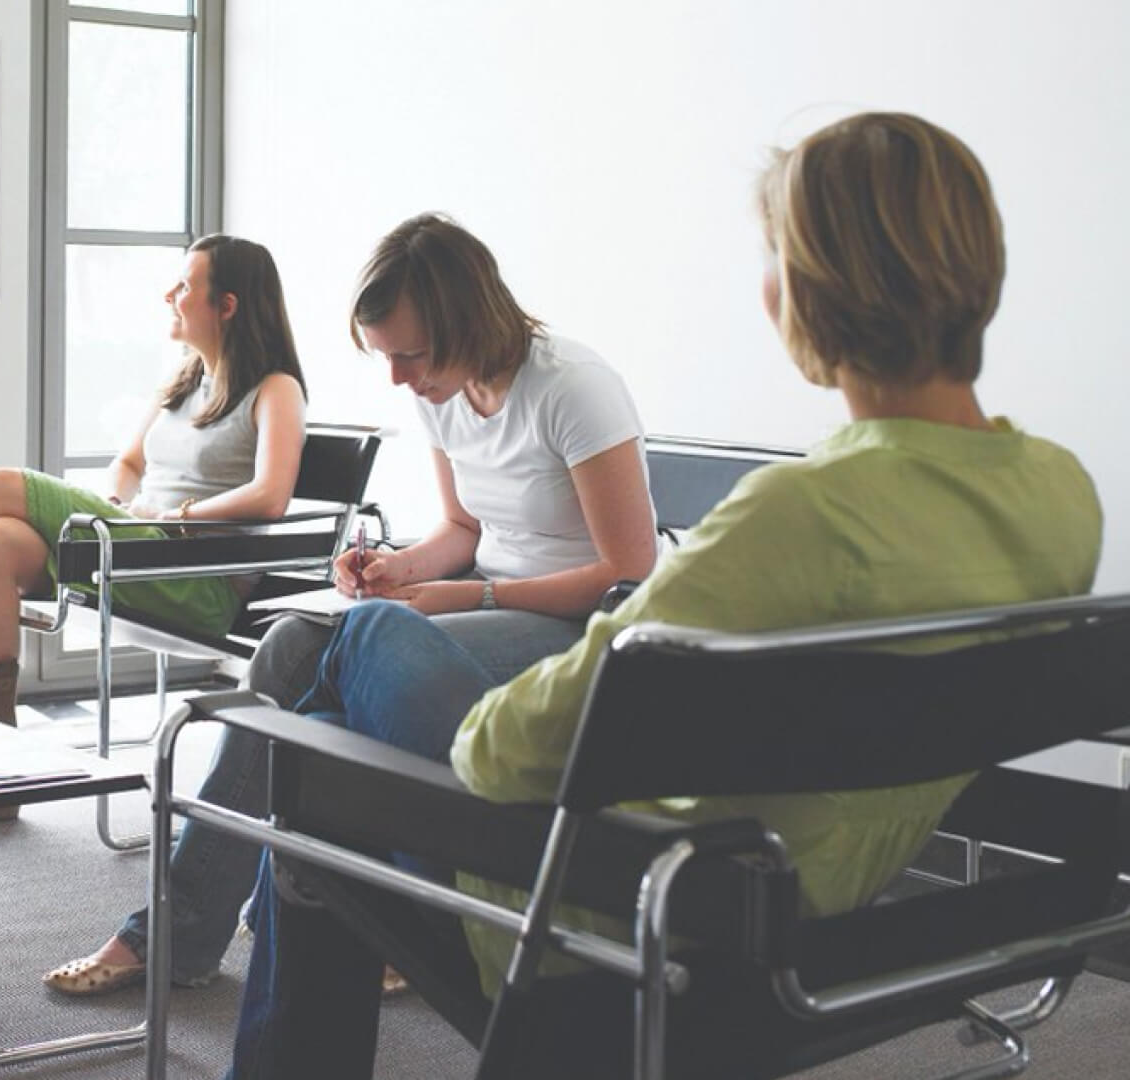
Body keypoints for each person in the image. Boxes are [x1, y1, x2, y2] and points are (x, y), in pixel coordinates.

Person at [225, 112, 1104, 1079]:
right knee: (319, 789)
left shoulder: (799, 517)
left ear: (804, 291)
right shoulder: (1062, 495)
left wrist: (438, 624)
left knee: (336, 717)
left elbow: (512, 748)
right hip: (839, 896)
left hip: (643, 905)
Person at [44, 213, 659, 993]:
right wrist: (396, 568)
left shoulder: (574, 387)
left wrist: (467, 593)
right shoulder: (444, 388)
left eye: (411, 355)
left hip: (583, 625)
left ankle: (243, 926)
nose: (400, 379)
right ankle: (225, 931)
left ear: (470, 319)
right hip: (488, 606)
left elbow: (627, 571)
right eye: (386, 357)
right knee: (298, 665)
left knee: (323, 653)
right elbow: (466, 527)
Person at [0, 234, 308, 833]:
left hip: (191, 577)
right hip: (134, 549)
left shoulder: (276, 389)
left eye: (185, 285)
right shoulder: (186, 384)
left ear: (228, 305)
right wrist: (114, 503)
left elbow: (271, 494)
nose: (170, 295)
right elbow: (129, 464)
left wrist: (175, 518)